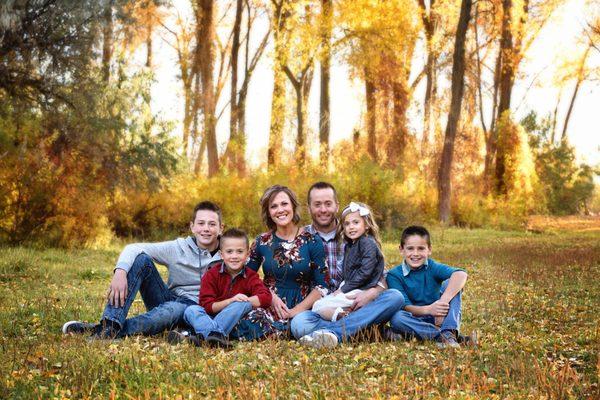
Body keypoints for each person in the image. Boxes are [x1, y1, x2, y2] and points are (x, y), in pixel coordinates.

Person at [62, 201, 223, 339]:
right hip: (170, 299)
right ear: (192, 227)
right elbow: (135, 247)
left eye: (212, 224)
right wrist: (120, 271)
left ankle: (99, 330)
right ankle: (110, 323)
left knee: (172, 311)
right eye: (201, 223)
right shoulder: (177, 248)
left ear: (221, 228)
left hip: (198, 311)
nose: (206, 228)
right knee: (141, 259)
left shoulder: (230, 252)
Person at [291, 182, 405, 348]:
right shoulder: (301, 238)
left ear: (337, 206)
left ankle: (332, 333)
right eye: (317, 204)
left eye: (328, 204)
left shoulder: (355, 233)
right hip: (324, 310)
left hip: (359, 301)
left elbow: (379, 275)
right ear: (309, 208)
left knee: (395, 296)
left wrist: (371, 294)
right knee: (299, 324)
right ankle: (367, 330)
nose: (323, 209)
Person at [232, 185, 329, 340]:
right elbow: (247, 277)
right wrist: (270, 296)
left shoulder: (312, 240)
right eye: (274, 206)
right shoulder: (262, 242)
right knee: (244, 320)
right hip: (269, 304)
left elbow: (322, 286)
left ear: (293, 206)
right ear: (269, 213)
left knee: (300, 324)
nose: (280, 210)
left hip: (303, 305)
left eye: (284, 204)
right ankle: (280, 331)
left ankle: (289, 328)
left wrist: (295, 311)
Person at [167, 228, 272, 348]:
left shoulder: (250, 276)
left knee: (243, 303)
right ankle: (215, 336)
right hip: (209, 317)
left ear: (247, 254)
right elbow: (207, 306)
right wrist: (231, 300)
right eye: (229, 251)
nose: (234, 256)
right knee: (191, 310)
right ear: (222, 255)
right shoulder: (212, 274)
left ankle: (200, 336)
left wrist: (241, 302)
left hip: (233, 320)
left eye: (239, 251)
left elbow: (266, 297)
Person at [386, 226, 469, 348]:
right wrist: (429, 309)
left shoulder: (432, 267)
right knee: (397, 318)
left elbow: (461, 274)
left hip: (438, 318)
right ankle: (443, 336)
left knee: (451, 284)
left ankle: (449, 331)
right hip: (413, 321)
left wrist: (441, 304)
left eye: (421, 248)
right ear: (401, 250)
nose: (415, 254)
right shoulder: (394, 275)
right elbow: (406, 306)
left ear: (429, 250)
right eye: (410, 248)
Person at [311, 202, 385, 322]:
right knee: (320, 305)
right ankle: (347, 318)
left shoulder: (367, 243)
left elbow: (365, 272)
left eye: (356, 222)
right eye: (347, 224)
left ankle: (345, 319)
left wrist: (343, 289)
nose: (351, 227)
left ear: (366, 225)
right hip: (352, 287)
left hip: (360, 290)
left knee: (318, 306)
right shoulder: (350, 245)